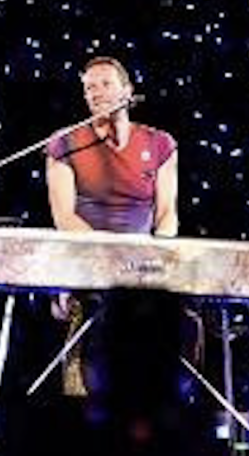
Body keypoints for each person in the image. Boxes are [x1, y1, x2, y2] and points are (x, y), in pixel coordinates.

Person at [44, 56, 179, 397]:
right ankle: (85, 405)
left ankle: (163, 401)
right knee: (92, 313)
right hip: (85, 263)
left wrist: (156, 257)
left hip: (143, 266)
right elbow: (64, 218)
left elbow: (167, 213)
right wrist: (108, 257)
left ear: (127, 91)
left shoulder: (160, 144)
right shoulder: (64, 143)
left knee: (182, 318)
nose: (96, 92)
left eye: (105, 84)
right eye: (89, 87)